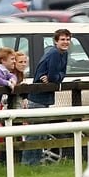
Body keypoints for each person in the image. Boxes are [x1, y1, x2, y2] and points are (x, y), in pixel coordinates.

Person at [23, 29, 70, 166]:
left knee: (41, 133)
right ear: (56, 41)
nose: (65, 42)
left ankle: (35, 162)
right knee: (35, 133)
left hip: (45, 99)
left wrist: (54, 78)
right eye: (62, 39)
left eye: (67, 39)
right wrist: (54, 78)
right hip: (37, 99)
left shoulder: (64, 53)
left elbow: (60, 75)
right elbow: (55, 75)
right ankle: (28, 163)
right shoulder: (55, 53)